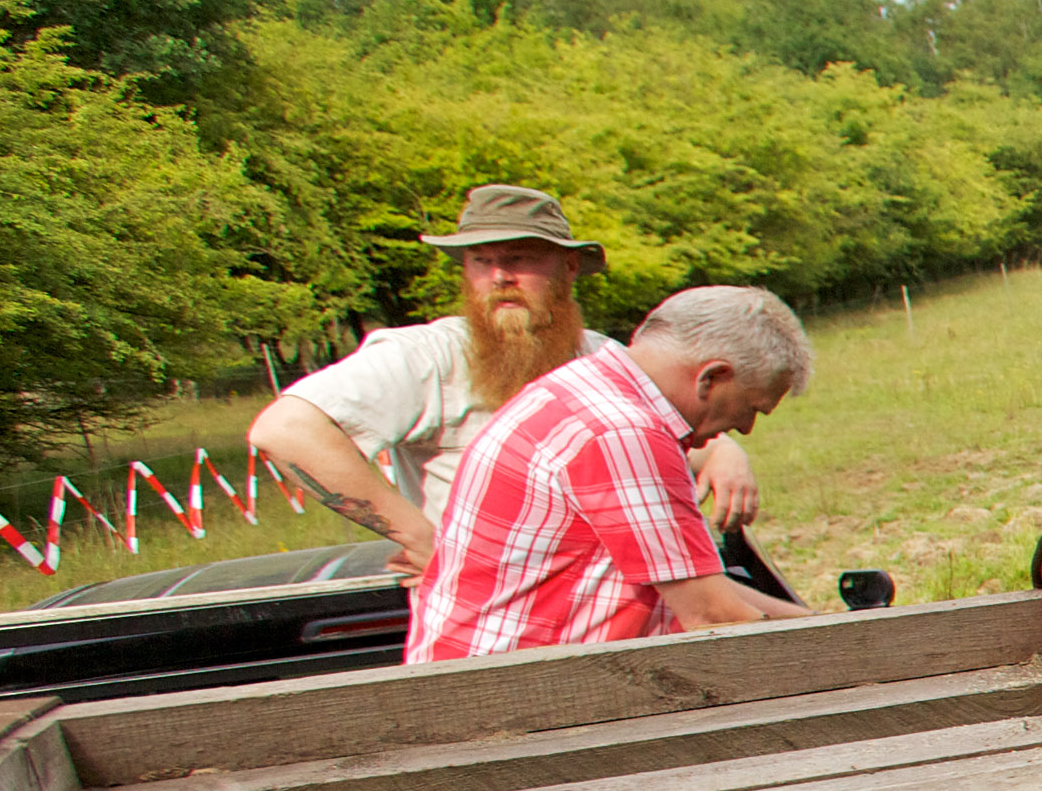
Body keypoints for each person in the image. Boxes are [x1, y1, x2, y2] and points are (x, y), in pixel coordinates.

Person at [251, 184, 760, 577]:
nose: (499, 277)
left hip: (609, 598)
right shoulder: (428, 357)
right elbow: (286, 430)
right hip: (489, 615)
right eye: (481, 261)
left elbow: (654, 434)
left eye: (519, 258)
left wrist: (720, 453)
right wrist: (422, 539)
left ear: (568, 266)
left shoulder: (604, 356)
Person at [407, 286, 814, 662]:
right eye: (752, 408)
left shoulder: (589, 388)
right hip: (505, 694)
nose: (745, 429)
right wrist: (845, 646)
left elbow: (694, 586)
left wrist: (822, 624)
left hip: (492, 670)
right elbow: (711, 615)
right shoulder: (624, 431)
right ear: (712, 377)